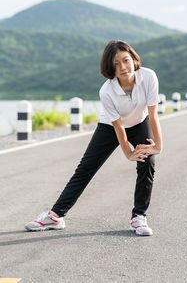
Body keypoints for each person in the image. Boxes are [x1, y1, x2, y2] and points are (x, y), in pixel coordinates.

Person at [25, 40, 162, 236]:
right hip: (110, 127)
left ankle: (139, 216)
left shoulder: (148, 77)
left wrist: (158, 146)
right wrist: (128, 153)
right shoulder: (107, 91)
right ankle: (55, 216)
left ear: (134, 59)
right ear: (110, 68)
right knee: (85, 169)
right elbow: (118, 127)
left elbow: (153, 115)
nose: (123, 67)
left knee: (148, 161)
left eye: (126, 60)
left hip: (140, 123)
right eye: (116, 64)